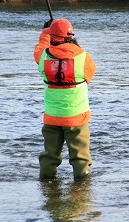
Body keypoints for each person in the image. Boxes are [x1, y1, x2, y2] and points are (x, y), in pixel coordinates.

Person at [34, 18, 96, 180]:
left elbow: (40, 48)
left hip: (52, 116)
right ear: (71, 35)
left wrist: (45, 33)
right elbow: (89, 75)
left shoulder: (43, 57)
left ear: (52, 37)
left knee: (49, 155)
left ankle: (47, 186)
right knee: (80, 157)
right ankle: (81, 188)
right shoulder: (83, 56)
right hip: (76, 117)